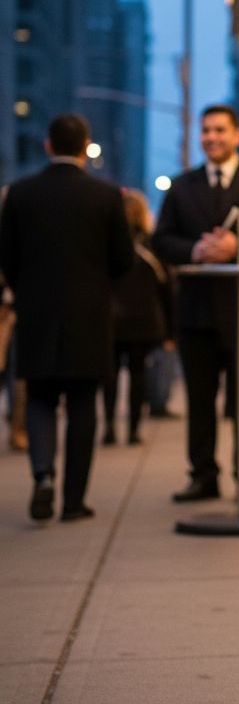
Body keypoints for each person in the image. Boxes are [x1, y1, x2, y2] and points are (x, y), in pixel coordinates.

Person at [153, 104, 239, 502]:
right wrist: (196, 249)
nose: (211, 137)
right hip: (195, 314)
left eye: (219, 130)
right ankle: (203, 475)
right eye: (206, 131)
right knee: (199, 401)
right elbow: (162, 240)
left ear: (237, 135)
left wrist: (238, 246)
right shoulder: (181, 187)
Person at [0, 113, 134, 521]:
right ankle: (74, 500)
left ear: (47, 145)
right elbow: (123, 260)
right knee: (81, 405)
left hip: (36, 313)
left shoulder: (20, 194)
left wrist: (26, 290)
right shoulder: (107, 196)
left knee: (39, 397)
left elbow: (6, 256)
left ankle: (43, 476)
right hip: (88, 316)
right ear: (85, 146)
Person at [102, 190, 171, 446]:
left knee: (109, 377)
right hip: (143, 321)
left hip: (110, 320)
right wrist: (170, 330)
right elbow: (167, 290)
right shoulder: (152, 246)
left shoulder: (106, 243)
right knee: (138, 375)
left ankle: (109, 426)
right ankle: (133, 429)